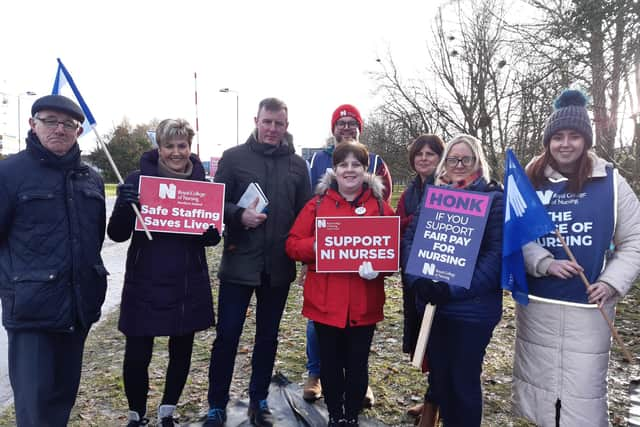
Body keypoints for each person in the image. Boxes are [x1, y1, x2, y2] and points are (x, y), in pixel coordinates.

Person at [512, 90, 640, 426]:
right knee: (539, 394)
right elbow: (516, 231)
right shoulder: (531, 177)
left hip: (590, 307)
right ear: (548, 141)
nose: (565, 144)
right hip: (539, 305)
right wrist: (544, 262)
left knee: (582, 396)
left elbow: (634, 239)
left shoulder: (611, 181)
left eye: (574, 136)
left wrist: (612, 282)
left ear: (586, 141)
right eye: (557, 137)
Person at [203, 98, 311, 427]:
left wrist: (306, 256)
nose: (272, 129)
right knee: (227, 336)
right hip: (239, 263)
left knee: (267, 337)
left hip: (277, 267)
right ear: (257, 120)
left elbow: (306, 212)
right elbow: (215, 202)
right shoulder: (234, 158)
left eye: (279, 124)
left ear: (286, 126)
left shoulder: (296, 165)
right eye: (267, 122)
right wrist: (238, 214)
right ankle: (216, 404)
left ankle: (259, 399)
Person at [0, 95, 107, 426]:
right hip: (32, 314)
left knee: (60, 404)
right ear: (33, 124)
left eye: (68, 124)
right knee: (34, 411)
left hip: (77, 310)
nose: (59, 129)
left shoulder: (91, 177)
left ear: (78, 130)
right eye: (50, 121)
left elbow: (94, 240)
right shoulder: (9, 173)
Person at [107, 119, 221, 427]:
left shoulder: (203, 185)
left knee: (181, 349)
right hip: (145, 278)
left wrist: (212, 236)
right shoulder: (137, 179)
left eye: (181, 145)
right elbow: (116, 234)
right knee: (136, 354)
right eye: (169, 146)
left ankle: (167, 410)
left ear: (190, 147)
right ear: (159, 147)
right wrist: (123, 205)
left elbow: (207, 232)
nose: (175, 152)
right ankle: (136, 415)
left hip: (186, 280)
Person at [286, 141, 396, 427]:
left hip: (364, 301)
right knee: (331, 365)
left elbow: (392, 254)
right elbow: (293, 245)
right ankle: (335, 415)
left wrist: (380, 271)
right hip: (325, 302)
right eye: (343, 164)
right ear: (334, 170)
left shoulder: (381, 207)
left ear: (365, 169)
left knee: (358, 364)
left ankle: (351, 416)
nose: (349, 170)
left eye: (356, 165)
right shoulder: (318, 204)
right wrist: (317, 245)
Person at [401, 134, 504, 426]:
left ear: (477, 162)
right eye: (453, 159)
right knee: (441, 380)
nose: (459, 165)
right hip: (434, 308)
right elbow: (411, 239)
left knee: (463, 383)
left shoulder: (493, 199)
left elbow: (494, 258)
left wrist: (452, 288)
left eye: (466, 159)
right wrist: (416, 279)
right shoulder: (435, 195)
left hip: (472, 311)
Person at [303, 104, 392, 405]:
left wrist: (379, 261)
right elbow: (301, 227)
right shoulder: (317, 161)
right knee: (321, 329)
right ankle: (316, 374)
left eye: (351, 122)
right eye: (340, 122)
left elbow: (387, 221)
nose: (345, 127)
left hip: (362, 271)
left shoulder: (377, 163)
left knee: (357, 347)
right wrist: (314, 250)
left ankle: (358, 387)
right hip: (326, 270)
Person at [396, 134, 445, 425]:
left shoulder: (450, 187)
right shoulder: (410, 192)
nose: (424, 158)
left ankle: (433, 406)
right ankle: (432, 395)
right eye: (419, 153)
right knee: (422, 339)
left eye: (431, 153)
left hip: (441, 277)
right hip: (414, 276)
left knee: (440, 341)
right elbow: (399, 226)